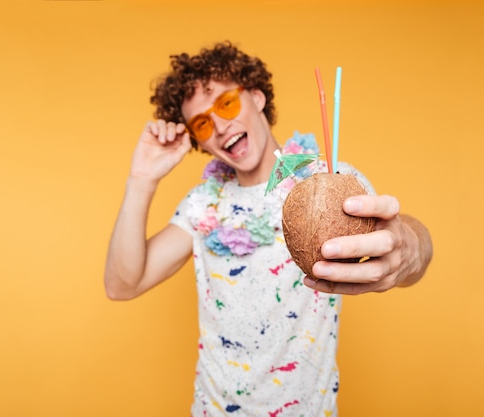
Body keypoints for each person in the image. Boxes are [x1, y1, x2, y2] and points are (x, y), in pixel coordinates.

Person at [104, 41, 433, 417]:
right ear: (199, 141)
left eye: (225, 104)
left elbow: (409, 246)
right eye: (202, 123)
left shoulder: (329, 181)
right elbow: (122, 284)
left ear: (257, 97)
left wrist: (408, 244)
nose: (220, 125)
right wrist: (142, 178)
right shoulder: (203, 205)